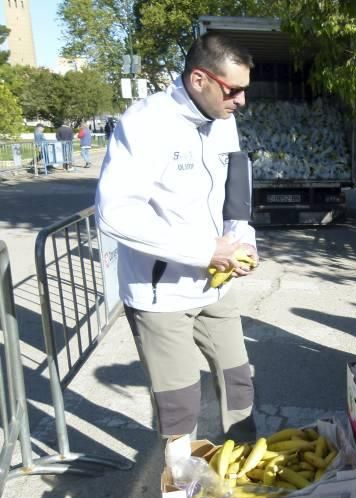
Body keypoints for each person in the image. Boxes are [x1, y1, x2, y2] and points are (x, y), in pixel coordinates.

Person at [95, 33, 258, 440]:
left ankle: (250, 478)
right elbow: (115, 212)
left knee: (239, 382)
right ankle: (183, 491)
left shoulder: (225, 121)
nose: (241, 101)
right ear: (200, 79)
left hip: (215, 289)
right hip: (161, 296)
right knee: (180, 405)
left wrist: (243, 240)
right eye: (233, 90)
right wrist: (205, 250)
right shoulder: (145, 123)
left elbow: (234, 197)